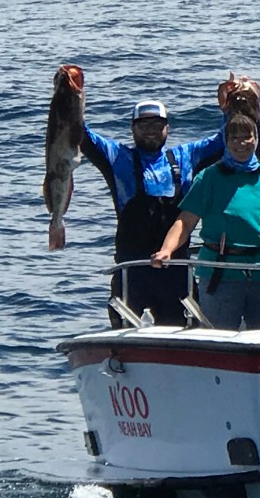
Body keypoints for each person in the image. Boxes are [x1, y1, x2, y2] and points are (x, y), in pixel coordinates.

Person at [81, 97, 225, 327]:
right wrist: (73, 98)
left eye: (157, 125)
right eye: (143, 125)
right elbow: (79, 135)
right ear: (132, 128)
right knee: (124, 334)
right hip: (132, 271)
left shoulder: (185, 157)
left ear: (168, 127)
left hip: (176, 272)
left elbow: (228, 141)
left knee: (185, 333)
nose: (151, 131)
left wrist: (231, 105)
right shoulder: (118, 158)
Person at [151, 113, 260, 331]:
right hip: (221, 273)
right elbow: (185, 222)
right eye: (234, 138)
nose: (241, 143)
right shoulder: (209, 177)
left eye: (246, 137)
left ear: (256, 139)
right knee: (218, 336)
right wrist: (167, 250)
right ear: (226, 142)